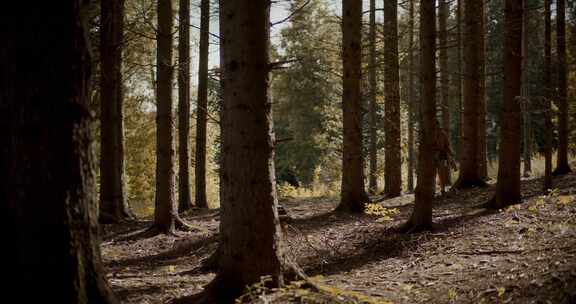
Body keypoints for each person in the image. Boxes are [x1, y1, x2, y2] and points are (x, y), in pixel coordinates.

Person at [434, 121, 456, 195]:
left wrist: (451, 153)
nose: (435, 127)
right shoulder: (429, 134)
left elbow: (447, 145)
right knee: (432, 173)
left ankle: (442, 190)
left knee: (441, 173)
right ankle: (432, 190)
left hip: (441, 155)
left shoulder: (443, 134)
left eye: (436, 125)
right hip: (431, 156)